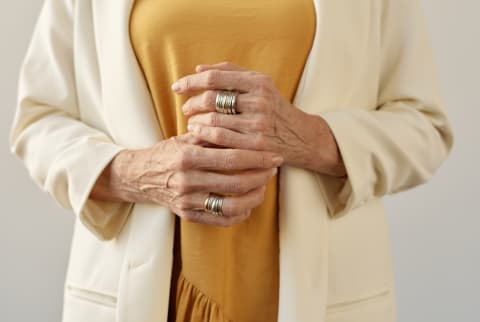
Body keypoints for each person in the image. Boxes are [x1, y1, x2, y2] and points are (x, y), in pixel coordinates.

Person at [9, 0, 453, 321]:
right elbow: (39, 121)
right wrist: (136, 173)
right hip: (139, 295)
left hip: (323, 297)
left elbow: (424, 128)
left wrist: (305, 136)